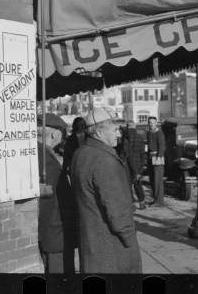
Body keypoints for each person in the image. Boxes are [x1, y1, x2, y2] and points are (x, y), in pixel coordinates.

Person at [71, 107, 142, 273]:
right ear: (99, 132)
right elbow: (118, 212)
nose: (119, 135)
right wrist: (131, 240)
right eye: (116, 130)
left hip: (92, 245)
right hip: (112, 249)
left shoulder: (80, 154)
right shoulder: (104, 160)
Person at [37, 114, 75, 273]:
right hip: (54, 231)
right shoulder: (46, 159)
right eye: (62, 132)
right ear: (54, 134)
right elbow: (47, 200)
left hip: (52, 231)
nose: (64, 136)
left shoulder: (41, 153)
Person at [126, 120, 147, 209]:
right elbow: (142, 153)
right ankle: (142, 202)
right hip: (138, 163)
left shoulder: (126, 138)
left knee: (128, 184)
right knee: (138, 184)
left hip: (127, 164)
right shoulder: (140, 137)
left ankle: (133, 204)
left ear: (127, 126)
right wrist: (142, 164)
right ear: (134, 126)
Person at [147, 116, 165, 206]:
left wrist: (158, 158)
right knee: (152, 179)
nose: (151, 124)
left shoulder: (159, 133)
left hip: (157, 157)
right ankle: (155, 199)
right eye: (149, 122)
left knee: (158, 180)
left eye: (153, 122)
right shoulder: (149, 132)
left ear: (156, 123)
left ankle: (159, 201)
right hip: (150, 157)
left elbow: (162, 146)